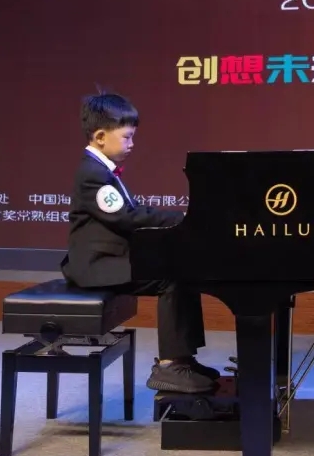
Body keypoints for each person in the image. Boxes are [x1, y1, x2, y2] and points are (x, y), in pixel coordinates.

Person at [60, 91, 219, 394]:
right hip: (95, 266)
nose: (132, 144)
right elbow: (127, 217)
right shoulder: (92, 174)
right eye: (127, 137)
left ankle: (184, 358)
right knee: (171, 278)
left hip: (109, 258)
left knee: (182, 270)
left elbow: (131, 213)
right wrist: (183, 218)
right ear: (100, 137)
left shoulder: (101, 170)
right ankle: (170, 366)